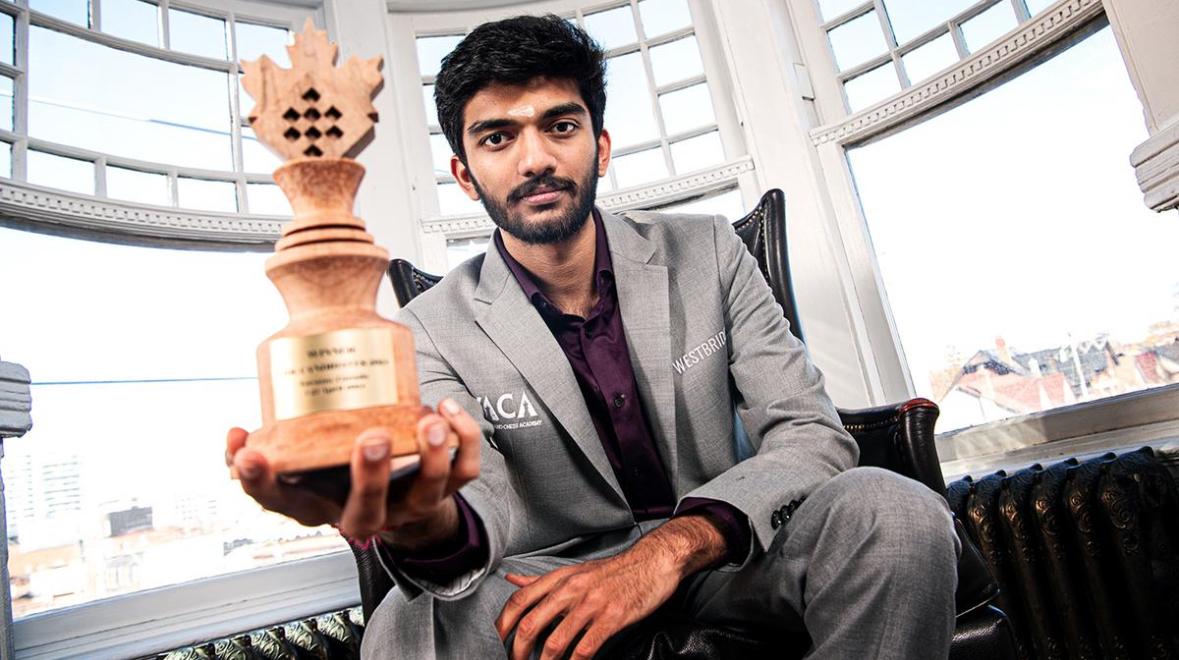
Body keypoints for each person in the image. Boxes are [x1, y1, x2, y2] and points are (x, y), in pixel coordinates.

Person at [227, 14, 960, 660]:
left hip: (728, 551)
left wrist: (674, 548)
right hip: (550, 580)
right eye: (497, 137)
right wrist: (425, 523)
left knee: (892, 510)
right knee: (410, 629)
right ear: (465, 173)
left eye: (560, 125)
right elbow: (480, 496)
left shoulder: (709, 252)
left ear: (599, 146)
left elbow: (809, 433)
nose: (535, 159)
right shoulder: (427, 328)